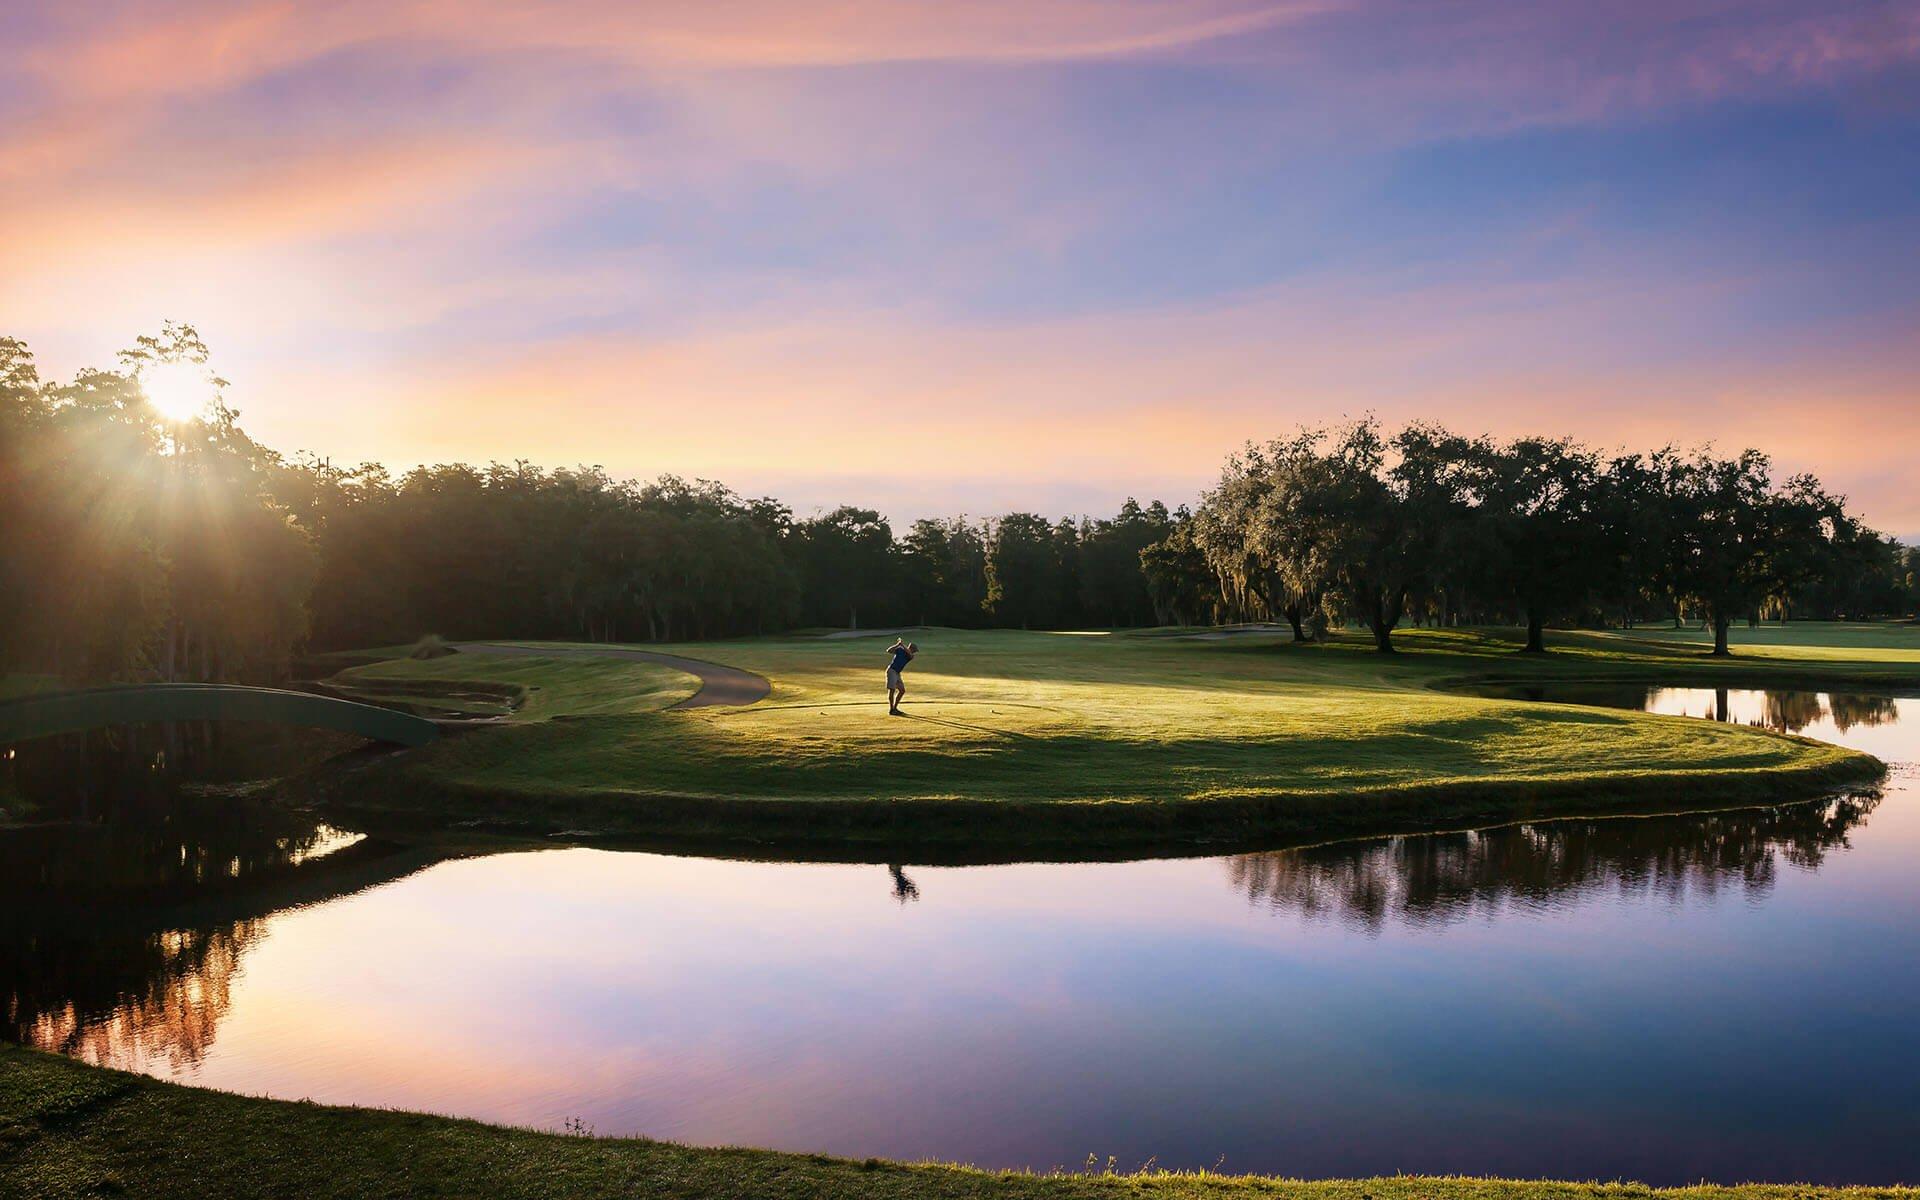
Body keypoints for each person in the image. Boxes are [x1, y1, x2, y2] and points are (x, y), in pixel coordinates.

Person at [885, 637, 917, 715]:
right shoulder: (900, 650)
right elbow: (888, 650)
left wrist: (902, 645)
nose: (914, 652)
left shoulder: (910, 656)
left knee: (902, 690)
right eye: (914, 650)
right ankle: (892, 709)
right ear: (911, 648)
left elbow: (909, 653)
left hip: (897, 673)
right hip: (892, 670)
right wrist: (897, 645)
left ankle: (895, 708)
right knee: (892, 690)